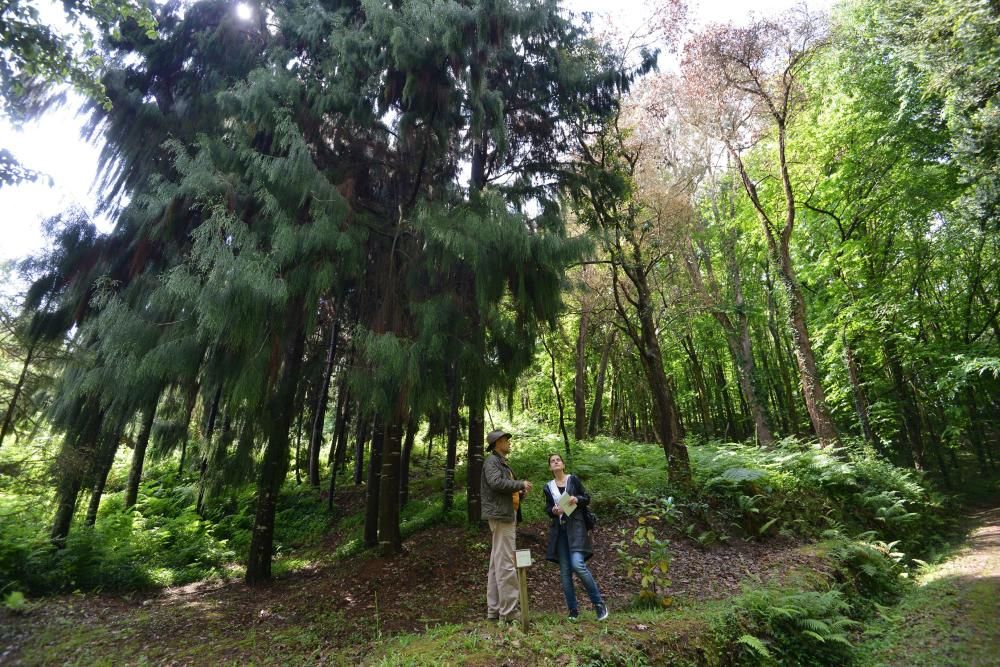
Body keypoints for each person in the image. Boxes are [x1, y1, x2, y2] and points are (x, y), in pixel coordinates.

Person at [543, 453, 608, 621]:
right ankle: (573, 610)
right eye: (552, 461)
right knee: (565, 572)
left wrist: (576, 499)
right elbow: (548, 509)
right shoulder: (548, 487)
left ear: (563, 464)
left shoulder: (573, 480)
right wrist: (553, 511)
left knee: (578, 564)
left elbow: (587, 498)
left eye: (558, 460)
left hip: (577, 528)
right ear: (550, 467)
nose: (556, 462)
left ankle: (599, 604)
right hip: (560, 531)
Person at [481, 430, 533, 623]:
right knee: (506, 564)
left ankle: (494, 610)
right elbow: (495, 483)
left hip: (504, 514)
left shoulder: (500, 462)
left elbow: (505, 488)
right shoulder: (492, 462)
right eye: (505, 440)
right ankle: (510, 612)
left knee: (497, 564)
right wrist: (519, 483)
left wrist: (519, 491)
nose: (509, 443)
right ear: (497, 443)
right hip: (501, 517)